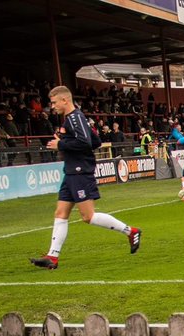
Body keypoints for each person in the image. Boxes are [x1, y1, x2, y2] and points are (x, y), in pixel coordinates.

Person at [28, 86, 141, 270]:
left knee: (88, 216)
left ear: (65, 100)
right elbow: (95, 141)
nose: (52, 106)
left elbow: (85, 142)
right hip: (71, 171)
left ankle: (131, 231)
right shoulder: (73, 119)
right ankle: (52, 257)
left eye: (54, 102)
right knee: (60, 213)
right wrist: (66, 142)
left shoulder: (74, 118)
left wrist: (61, 144)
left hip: (80, 171)